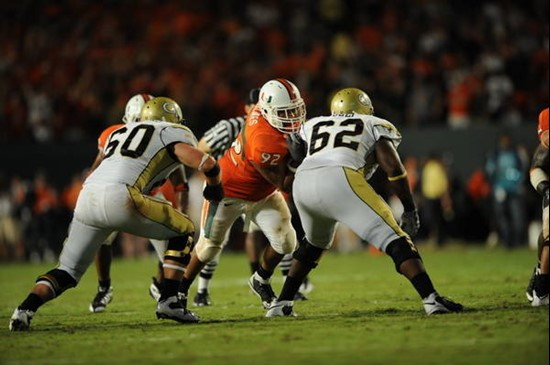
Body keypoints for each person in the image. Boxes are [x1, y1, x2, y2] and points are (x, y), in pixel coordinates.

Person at [9, 97, 224, 331]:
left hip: (87, 196)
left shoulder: (118, 132)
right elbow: (207, 163)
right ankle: (169, 300)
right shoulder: (170, 132)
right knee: (185, 228)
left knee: (67, 271)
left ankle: (24, 310)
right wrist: (214, 185)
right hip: (122, 196)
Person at [266, 87, 464, 317]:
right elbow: (394, 169)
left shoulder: (313, 124)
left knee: (313, 244)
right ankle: (432, 299)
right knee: (396, 238)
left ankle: (281, 304)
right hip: (340, 177)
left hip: (303, 181)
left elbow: (295, 152)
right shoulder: (372, 123)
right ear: (365, 108)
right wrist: (409, 207)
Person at [178, 78, 306, 310]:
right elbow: (284, 184)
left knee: (287, 242)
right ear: (267, 110)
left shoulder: (264, 114)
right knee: (208, 248)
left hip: (261, 193)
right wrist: (296, 161)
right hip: (229, 192)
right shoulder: (262, 140)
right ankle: (178, 291)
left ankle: (260, 279)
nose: (293, 117)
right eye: (285, 112)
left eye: (294, 110)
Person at [86, 94, 189, 313]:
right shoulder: (113, 134)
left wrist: (181, 213)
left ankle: (161, 286)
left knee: (173, 247)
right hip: (117, 194)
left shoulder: (165, 138)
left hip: (150, 197)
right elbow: (95, 169)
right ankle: (104, 288)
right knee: (99, 238)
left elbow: (181, 184)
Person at [485, 134, 528, 249]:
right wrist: (496, 187)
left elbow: (523, 169)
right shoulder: (495, 154)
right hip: (501, 190)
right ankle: (506, 240)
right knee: (501, 217)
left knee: (517, 216)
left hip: (514, 190)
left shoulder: (516, 154)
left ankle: (518, 241)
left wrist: (519, 184)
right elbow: (490, 172)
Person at [525, 107, 549, 306]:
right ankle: (541, 283)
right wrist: (546, 189)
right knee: (549, 238)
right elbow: (536, 170)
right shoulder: (543, 151)